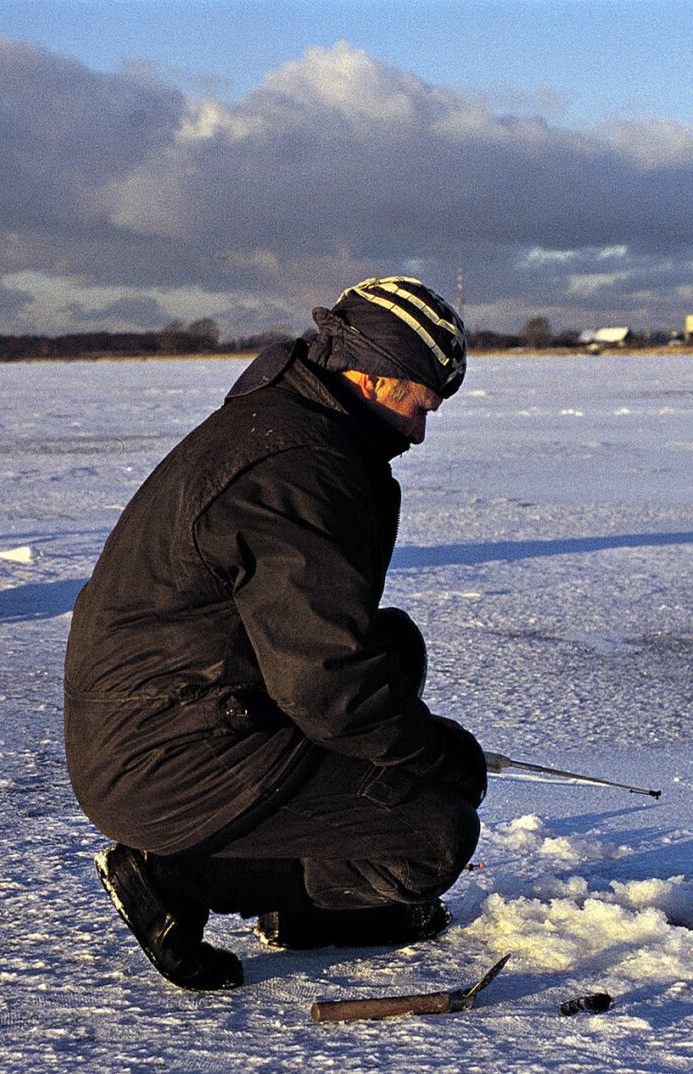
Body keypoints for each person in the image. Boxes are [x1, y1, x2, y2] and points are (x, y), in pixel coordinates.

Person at [64, 277, 487, 991]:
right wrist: (435, 751)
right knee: (435, 832)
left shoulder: (286, 429)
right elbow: (328, 685)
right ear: (377, 378)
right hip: (167, 752)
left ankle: (295, 909)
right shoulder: (298, 466)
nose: (419, 434)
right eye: (422, 406)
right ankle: (175, 879)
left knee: (423, 774)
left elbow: (315, 648)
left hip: (170, 721)